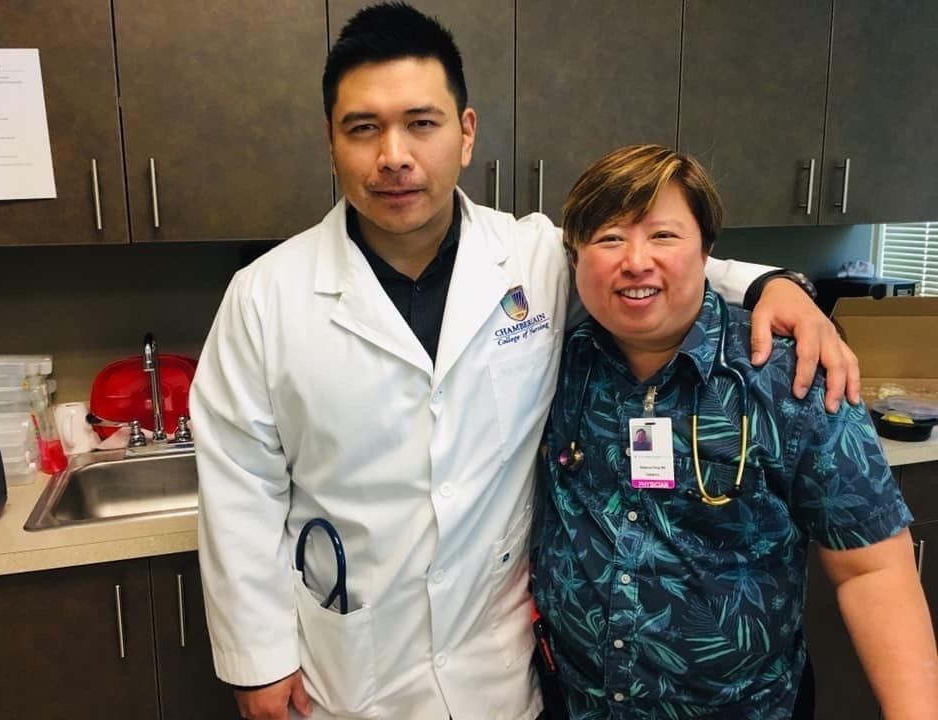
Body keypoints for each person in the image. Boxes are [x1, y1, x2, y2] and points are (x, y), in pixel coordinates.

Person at [190, 5, 861, 720]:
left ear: (465, 133)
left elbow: (645, 271)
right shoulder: (264, 297)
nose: (394, 155)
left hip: (500, 674)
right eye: (364, 128)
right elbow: (239, 488)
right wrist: (257, 660)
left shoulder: (533, 258)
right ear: (331, 142)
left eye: (422, 123)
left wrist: (768, 284)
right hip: (349, 671)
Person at [532, 144, 938, 720]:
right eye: (609, 238)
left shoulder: (787, 378)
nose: (636, 261)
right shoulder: (551, 365)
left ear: (707, 251)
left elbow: (872, 567)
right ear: (575, 258)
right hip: (575, 704)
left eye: (664, 237)